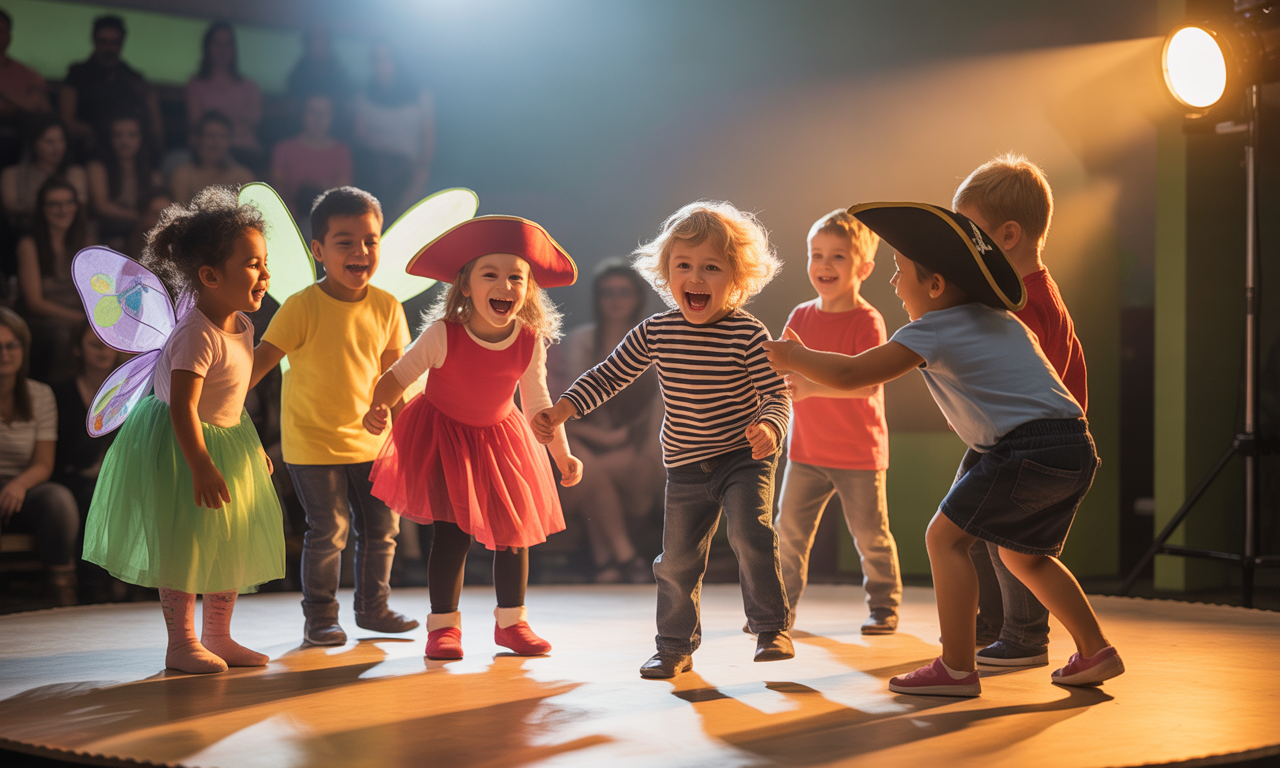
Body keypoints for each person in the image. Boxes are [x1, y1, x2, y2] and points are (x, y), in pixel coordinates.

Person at [763, 201, 1123, 696]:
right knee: (1025, 558)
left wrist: (794, 356)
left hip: (1022, 448)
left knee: (944, 539)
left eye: (899, 272)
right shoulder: (1000, 318)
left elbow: (852, 374)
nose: (893, 284)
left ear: (935, 286)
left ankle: (955, 668)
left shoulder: (935, 327)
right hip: (1073, 446)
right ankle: (1094, 649)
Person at [535, 201, 795, 680]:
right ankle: (673, 646)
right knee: (677, 560)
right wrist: (563, 409)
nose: (695, 278)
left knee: (750, 534)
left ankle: (771, 628)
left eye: (711, 268)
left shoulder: (747, 334)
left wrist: (770, 427)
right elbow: (608, 375)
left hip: (743, 457)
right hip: (685, 465)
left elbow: (778, 396)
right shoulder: (657, 331)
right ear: (666, 273)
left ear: (737, 278)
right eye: (684, 266)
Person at [82, 187, 285, 674]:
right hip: (184, 446)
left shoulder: (241, 324)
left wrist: (251, 447)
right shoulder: (196, 333)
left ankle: (219, 635)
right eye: (253, 264)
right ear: (211, 276)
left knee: (228, 541)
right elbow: (182, 408)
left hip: (226, 439)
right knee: (186, 545)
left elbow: (231, 396)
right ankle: (182, 642)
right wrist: (199, 464)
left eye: (264, 262)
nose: (266, 273)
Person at [363, 215, 583, 660]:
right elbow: (397, 376)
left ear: (528, 290)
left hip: (500, 440)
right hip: (444, 437)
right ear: (465, 286)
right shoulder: (445, 334)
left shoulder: (528, 339)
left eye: (515, 277)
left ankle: (512, 623)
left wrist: (563, 455)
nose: (504, 285)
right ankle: (442, 627)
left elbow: (539, 404)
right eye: (490, 275)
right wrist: (378, 405)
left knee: (514, 535)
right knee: (452, 534)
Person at [251, 187, 416, 646]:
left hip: (372, 444)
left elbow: (395, 377)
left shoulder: (387, 306)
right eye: (345, 242)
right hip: (312, 444)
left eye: (370, 240)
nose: (360, 251)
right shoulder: (302, 306)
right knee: (329, 530)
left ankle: (373, 608)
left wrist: (406, 437)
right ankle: (320, 616)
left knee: (383, 529)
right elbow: (259, 365)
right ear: (318, 251)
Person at [953, 154, 1090, 668]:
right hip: (1007, 438)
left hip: (1033, 442)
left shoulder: (1026, 304)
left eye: (972, 233)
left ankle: (1026, 635)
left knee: (1012, 538)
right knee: (969, 523)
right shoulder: (1024, 295)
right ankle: (991, 623)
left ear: (1007, 236)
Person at [774, 209, 900, 634]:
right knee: (788, 534)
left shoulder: (868, 321)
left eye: (838, 257)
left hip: (858, 454)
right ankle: (780, 611)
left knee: (871, 537)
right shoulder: (800, 316)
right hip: (806, 452)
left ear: (863, 267)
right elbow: (782, 372)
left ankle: (884, 607)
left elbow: (867, 386)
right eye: (816, 255)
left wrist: (810, 388)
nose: (824, 265)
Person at [549, 260, 663, 583]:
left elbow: (657, 418)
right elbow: (569, 404)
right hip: (586, 442)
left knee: (589, 474)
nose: (615, 300)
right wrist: (602, 440)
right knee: (587, 468)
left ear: (638, 297)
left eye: (624, 292)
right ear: (597, 298)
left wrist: (623, 445)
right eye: (607, 292)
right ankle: (620, 560)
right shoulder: (581, 340)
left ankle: (609, 561)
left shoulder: (654, 340)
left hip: (641, 450)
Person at [0, 307, 79, 606]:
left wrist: (19, 485)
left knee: (58, 499)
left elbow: (43, 463)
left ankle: (61, 591)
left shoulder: (40, 395)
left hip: (23, 488)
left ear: (23, 350)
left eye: (11, 346)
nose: (5, 354)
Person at [51, 320, 123, 602]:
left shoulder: (130, 393)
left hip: (115, 476)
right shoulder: (59, 394)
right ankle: (93, 586)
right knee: (91, 493)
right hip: (69, 478)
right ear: (78, 349)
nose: (103, 351)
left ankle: (133, 583)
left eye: (109, 343)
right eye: (95, 343)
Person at [16, 178, 90, 384]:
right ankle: (59, 395)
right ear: (41, 209)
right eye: (54, 204)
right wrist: (80, 319)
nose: (63, 209)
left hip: (79, 316)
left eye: (68, 202)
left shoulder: (84, 241)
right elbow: (35, 302)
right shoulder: (29, 245)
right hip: (44, 320)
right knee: (62, 336)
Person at [60, 15, 164, 156]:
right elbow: (66, 123)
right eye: (103, 42)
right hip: (87, 152)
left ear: (122, 44)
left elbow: (154, 131)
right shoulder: (77, 74)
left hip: (128, 152)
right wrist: (88, 132)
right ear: (94, 41)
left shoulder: (133, 78)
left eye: (114, 43)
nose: (109, 48)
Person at [353, 42, 433, 218]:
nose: (381, 66)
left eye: (387, 59)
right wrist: (384, 147)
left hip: (409, 167)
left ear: (397, 61)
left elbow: (428, 139)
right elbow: (360, 134)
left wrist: (421, 168)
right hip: (376, 166)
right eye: (377, 60)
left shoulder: (420, 96)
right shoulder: (364, 96)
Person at [185, 22, 264, 172]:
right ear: (207, 46)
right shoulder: (195, 85)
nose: (222, 49)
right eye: (217, 43)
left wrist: (215, 122)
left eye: (228, 44)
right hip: (206, 151)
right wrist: (236, 119)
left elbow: (254, 120)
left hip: (245, 151)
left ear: (234, 48)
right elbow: (196, 123)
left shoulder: (250, 86)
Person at [87, 113, 168, 254]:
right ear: (109, 138)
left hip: (142, 239)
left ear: (142, 138)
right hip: (105, 237)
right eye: (118, 135)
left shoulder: (153, 175)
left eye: (132, 135)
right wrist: (140, 216)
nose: (125, 141)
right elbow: (101, 206)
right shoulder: (98, 167)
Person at [1, 115, 89, 233]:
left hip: (68, 236)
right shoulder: (11, 174)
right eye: (49, 141)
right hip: (23, 234)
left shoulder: (75, 173)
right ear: (34, 144)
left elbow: (79, 208)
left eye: (61, 140)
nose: (57, 147)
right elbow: (11, 209)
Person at [270, 95, 352, 219]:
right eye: (312, 112)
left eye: (324, 113)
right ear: (302, 114)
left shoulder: (341, 151)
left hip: (328, 218)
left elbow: (343, 193)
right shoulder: (283, 148)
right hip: (290, 217)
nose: (318, 119)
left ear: (332, 117)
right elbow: (278, 188)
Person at [0, 9, 52, 167]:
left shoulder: (27, 73)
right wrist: (19, 100)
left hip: (23, 138)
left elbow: (39, 105)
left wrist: (3, 94)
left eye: (0, 32)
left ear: (9, 36)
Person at [170, 111, 253, 206]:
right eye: (210, 135)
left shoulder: (242, 177)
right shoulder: (183, 175)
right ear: (197, 139)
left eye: (223, 136)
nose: (216, 142)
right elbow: (178, 216)